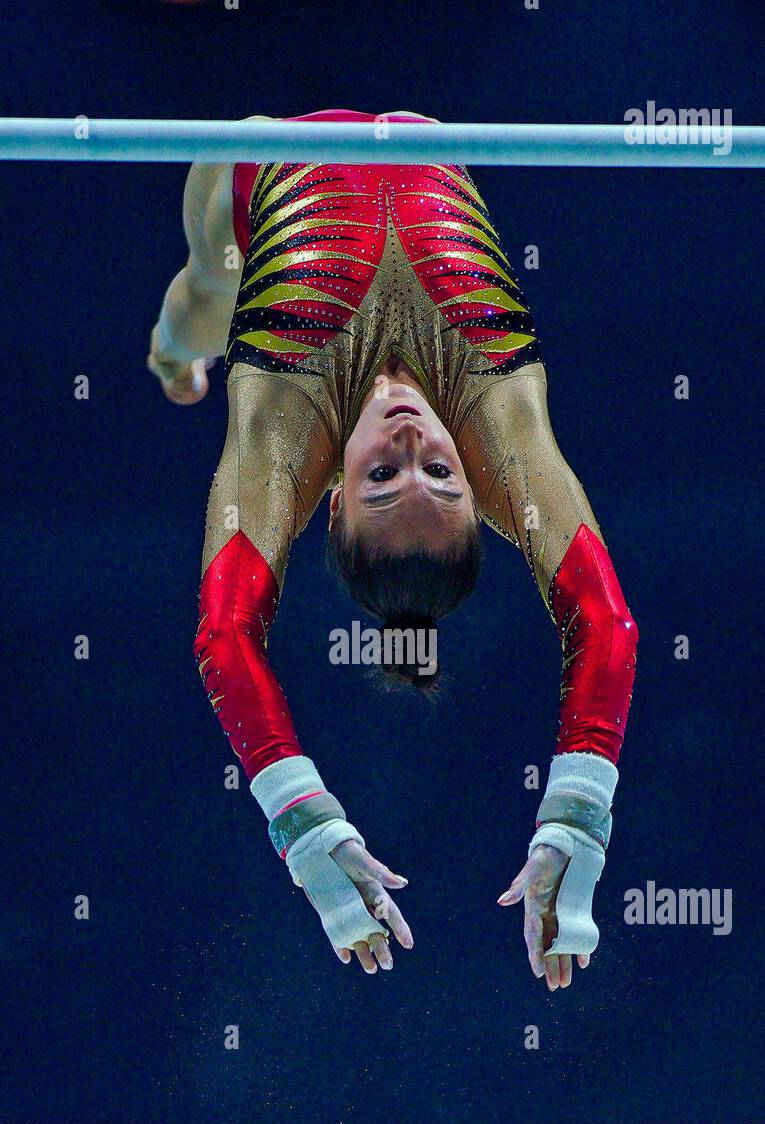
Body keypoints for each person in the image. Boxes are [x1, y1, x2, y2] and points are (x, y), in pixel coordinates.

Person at [147, 109, 638, 990]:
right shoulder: (500, 421)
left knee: (202, 302)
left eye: (380, 476)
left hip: (255, 166)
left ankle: (170, 356)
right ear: (481, 491)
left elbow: (224, 635)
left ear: (325, 501)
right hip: (427, 135)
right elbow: (605, 622)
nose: (412, 439)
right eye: (442, 475)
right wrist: (577, 819)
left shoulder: (284, 432)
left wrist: (302, 824)